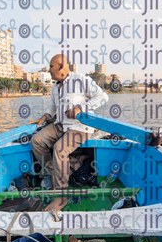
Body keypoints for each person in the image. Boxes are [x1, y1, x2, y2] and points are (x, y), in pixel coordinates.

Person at [30, 54, 108, 212]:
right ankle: (54, 172)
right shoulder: (55, 87)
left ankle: (61, 198)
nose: (49, 70)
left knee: (60, 149)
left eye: (51, 66)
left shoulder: (80, 79)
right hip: (60, 125)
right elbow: (52, 108)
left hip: (79, 127)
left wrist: (80, 108)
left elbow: (102, 97)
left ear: (60, 67)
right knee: (37, 140)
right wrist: (44, 117)